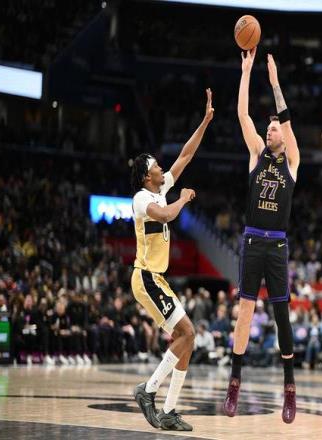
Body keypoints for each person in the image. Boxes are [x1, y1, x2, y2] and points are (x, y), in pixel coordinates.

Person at [223, 48, 300, 424]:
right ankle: (234, 381)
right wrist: (246, 71)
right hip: (253, 240)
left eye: (274, 128)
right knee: (245, 314)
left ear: (283, 134)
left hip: (278, 244)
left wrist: (274, 82)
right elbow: (242, 115)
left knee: (282, 316)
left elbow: (286, 119)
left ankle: (290, 387)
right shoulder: (256, 153)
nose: (270, 131)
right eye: (268, 128)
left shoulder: (293, 160)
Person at [131, 89, 214, 431]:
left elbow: (186, 154)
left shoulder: (161, 186)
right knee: (188, 332)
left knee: (187, 337)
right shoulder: (141, 198)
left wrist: (205, 121)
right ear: (145, 176)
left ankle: (167, 411)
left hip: (157, 279)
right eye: (154, 166)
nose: (160, 166)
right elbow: (165, 215)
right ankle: (148, 390)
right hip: (145, 277)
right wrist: (182, 199)